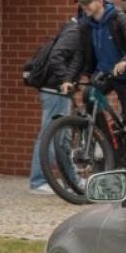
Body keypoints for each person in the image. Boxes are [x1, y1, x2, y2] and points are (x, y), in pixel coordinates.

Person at [71, 0, 126, 170]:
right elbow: (80, 55)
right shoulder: (86, 26)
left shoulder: (118, 18)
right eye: (82, 4)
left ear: (99, 2)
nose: (84, 7)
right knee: (90, 96)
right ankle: (107, 146)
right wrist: (68, 78)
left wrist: (125, 61)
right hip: (105, 74)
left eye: (87, 3)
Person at [28, 17, 87, 194]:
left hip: (57, 90)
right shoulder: (75, 33)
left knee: (62, 139)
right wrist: (66, 80)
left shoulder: (71, 31)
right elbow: (57, 57)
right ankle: (38, 181)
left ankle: (71, 180)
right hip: (55, 90)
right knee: (50, 135)